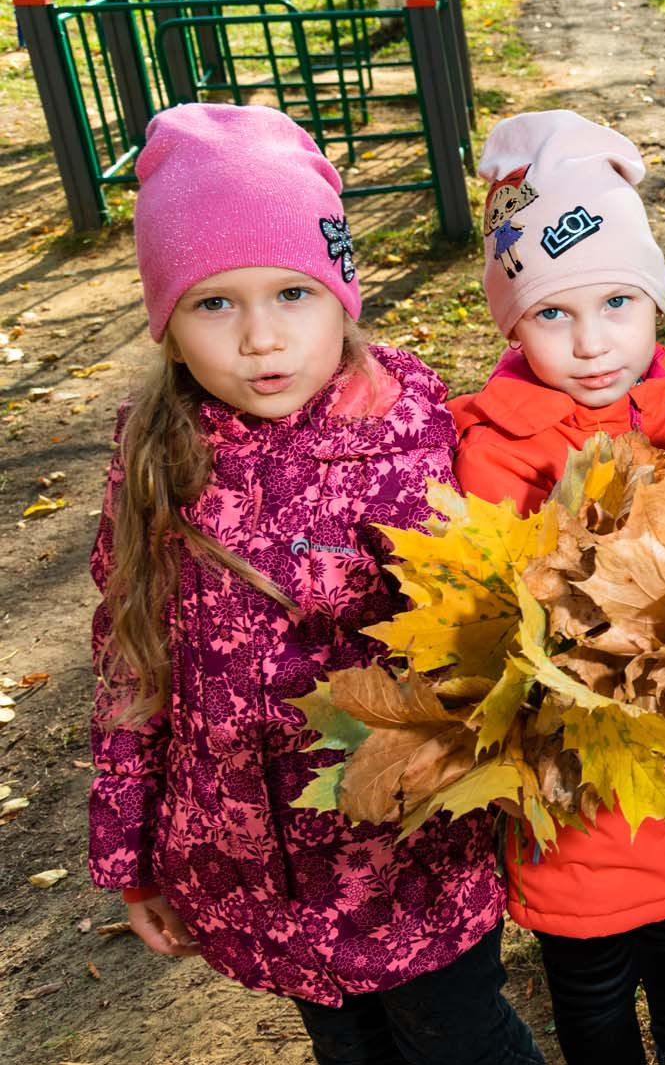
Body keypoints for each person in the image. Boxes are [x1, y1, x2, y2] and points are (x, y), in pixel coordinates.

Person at [88, 103, 543, 1065]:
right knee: (351, 1046)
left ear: (343, 293)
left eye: (293, 293)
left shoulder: (413, 434)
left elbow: (490, 628)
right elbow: (129, 662)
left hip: (406, 854)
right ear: (168, 322)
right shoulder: (156, 457)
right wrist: (132, 855)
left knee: (461, 1039)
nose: (260, 338)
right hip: (252, 869)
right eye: (215, 302)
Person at [450, 109, 665, 1065]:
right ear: (515, 321)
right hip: (572, 782)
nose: (594, 341)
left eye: (619, 304)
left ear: (658, 307)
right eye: (553, 313)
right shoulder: (494, 448)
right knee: (590, 963)